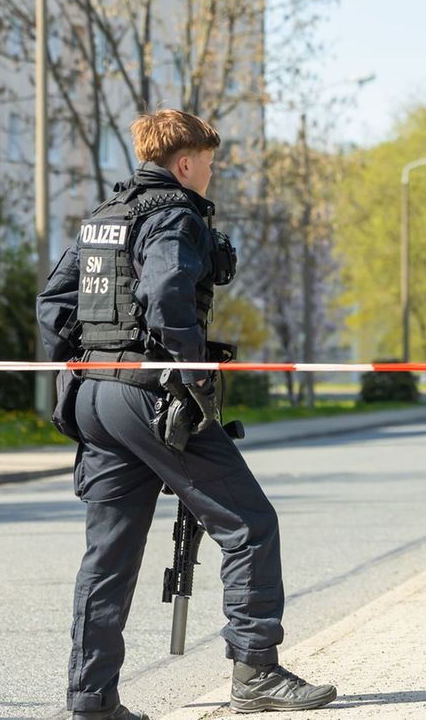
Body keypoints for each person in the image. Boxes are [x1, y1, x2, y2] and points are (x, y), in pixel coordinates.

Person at [36, 110, 335, 720]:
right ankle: (256, 671)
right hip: (148, 392)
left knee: (109, 553)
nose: (211, 174)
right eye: (209, 163)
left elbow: (52, 305)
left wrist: (89, 359)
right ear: (185, 162)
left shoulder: (103, 216)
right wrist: (193, 374)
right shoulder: (174, 212)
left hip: (93, 395)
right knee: (249, 523)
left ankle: (92, 700)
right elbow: (169, 290)